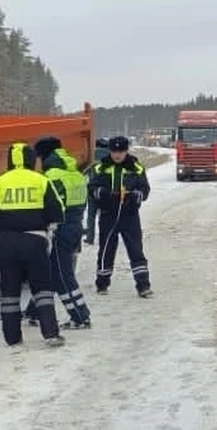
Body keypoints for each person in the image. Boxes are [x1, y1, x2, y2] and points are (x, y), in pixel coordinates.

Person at [0, 142, 66, 348]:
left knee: (9, 292)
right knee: (42, 289)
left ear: (11, 160)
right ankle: (50, 334)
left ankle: (12, 338)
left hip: (7, 242)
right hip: (35, 240)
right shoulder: (41, 181)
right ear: (31, 160)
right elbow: (58, 211)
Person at [31, 136, 92, 329]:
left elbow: (49, 208)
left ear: (43, 156)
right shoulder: (74, 173)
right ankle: (34, 312)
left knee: (61, 276)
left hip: (60, 231)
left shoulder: (52, 177)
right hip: (74, 227)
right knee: (51, 272)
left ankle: (80, 316)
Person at [88, 135, 152, 297]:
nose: (117, 155)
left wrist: (136, 195)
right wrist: (102, 193)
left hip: (129, 215)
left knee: (135, 250)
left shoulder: (136, 167)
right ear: (110, 151)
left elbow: (145, 190)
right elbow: (92, 188)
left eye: (121, 151)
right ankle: (102, 283)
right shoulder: (100, 167)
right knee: (106, 249)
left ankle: (143, 285)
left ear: (126, 151)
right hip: (108, 214)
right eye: (114, 151)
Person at [83, 137, 110, 245]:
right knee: (104, 216)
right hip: (105, 191)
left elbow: (84, 172)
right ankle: (106, 237)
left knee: (91, 216)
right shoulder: (110, 157)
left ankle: (90, 238)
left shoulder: (91, 156)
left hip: (92, 190)